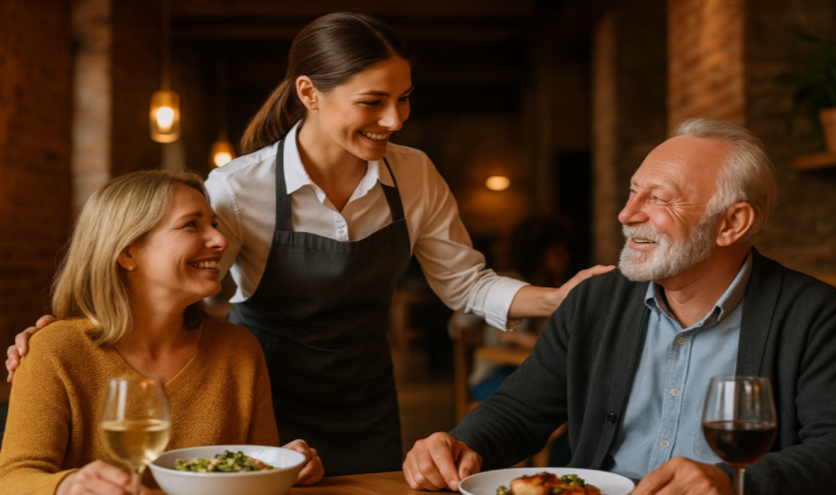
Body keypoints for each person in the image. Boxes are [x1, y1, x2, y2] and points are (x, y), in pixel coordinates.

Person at [3, 11, 615, 477]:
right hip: (252, 393)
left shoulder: (415, 173)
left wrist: (558, 298)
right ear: (308, 93)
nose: (395, 119)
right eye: (372, 102)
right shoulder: (238, 189)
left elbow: (464, 283)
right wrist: (75, 332)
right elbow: (168, 269)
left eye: (403, 98)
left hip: (366, 395)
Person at [403, 118, 836, 494]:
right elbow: (520, 410)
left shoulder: (816, 316)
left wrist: (733, 482)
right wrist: (461, 444)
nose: (627, 213)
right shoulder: (595, 300)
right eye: (633, 192)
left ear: (731, 223)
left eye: (658, 198)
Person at [0, 171, 323, 495]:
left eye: (214, 224)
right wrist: (64, 486)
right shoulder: (54, 350)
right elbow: (13, 479)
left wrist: (284, 468)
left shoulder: (238, 349)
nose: (221, 241)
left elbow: (253, 475)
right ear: (128, 252)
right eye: (191, 225)